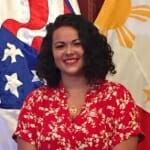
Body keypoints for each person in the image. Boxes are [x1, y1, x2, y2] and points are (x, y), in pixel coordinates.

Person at [13, 13, 144, 150]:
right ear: (51, 53)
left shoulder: (117, 97)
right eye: (60, 46)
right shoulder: (35, 101)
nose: (69, 51)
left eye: (77, 44)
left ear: (90, 48)